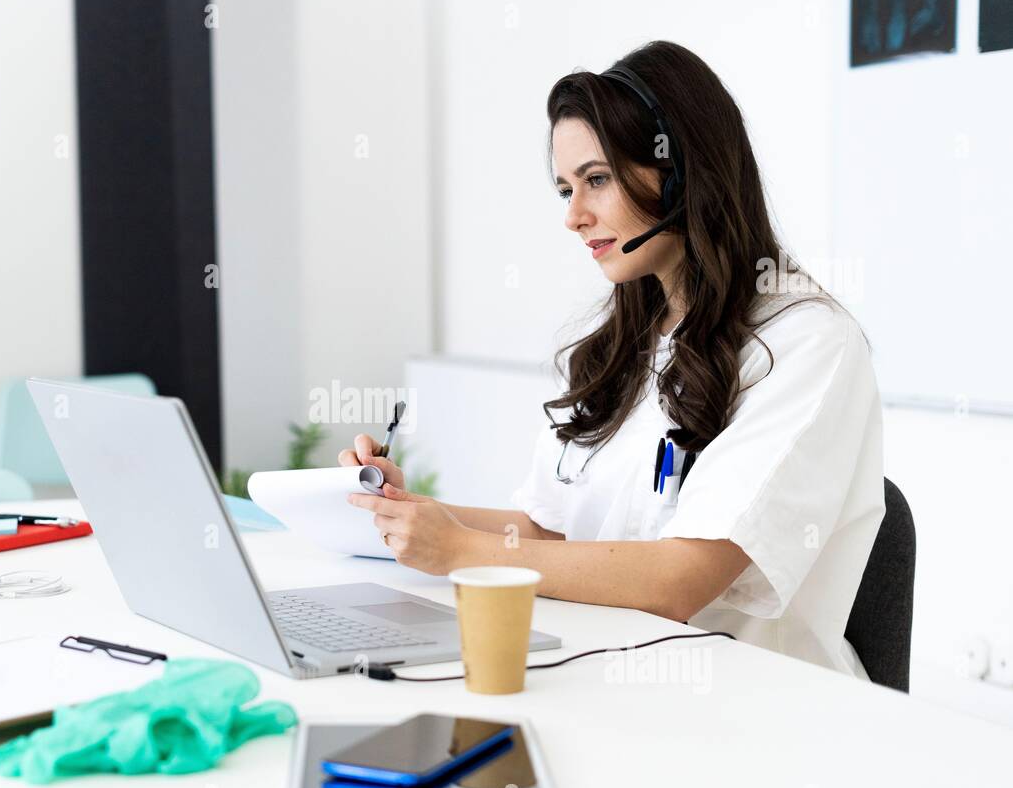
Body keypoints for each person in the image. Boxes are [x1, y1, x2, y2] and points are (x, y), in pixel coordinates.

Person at [340, 40, 884, 678]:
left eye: (596, 179)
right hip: (613, 670)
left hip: (753, 700)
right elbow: (548, 533)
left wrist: (460, 550)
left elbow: (683, 580)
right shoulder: (623, 346)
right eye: (566, 188)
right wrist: (415, 515)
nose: (574, 216)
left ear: (681, 175)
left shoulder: (806, 343)